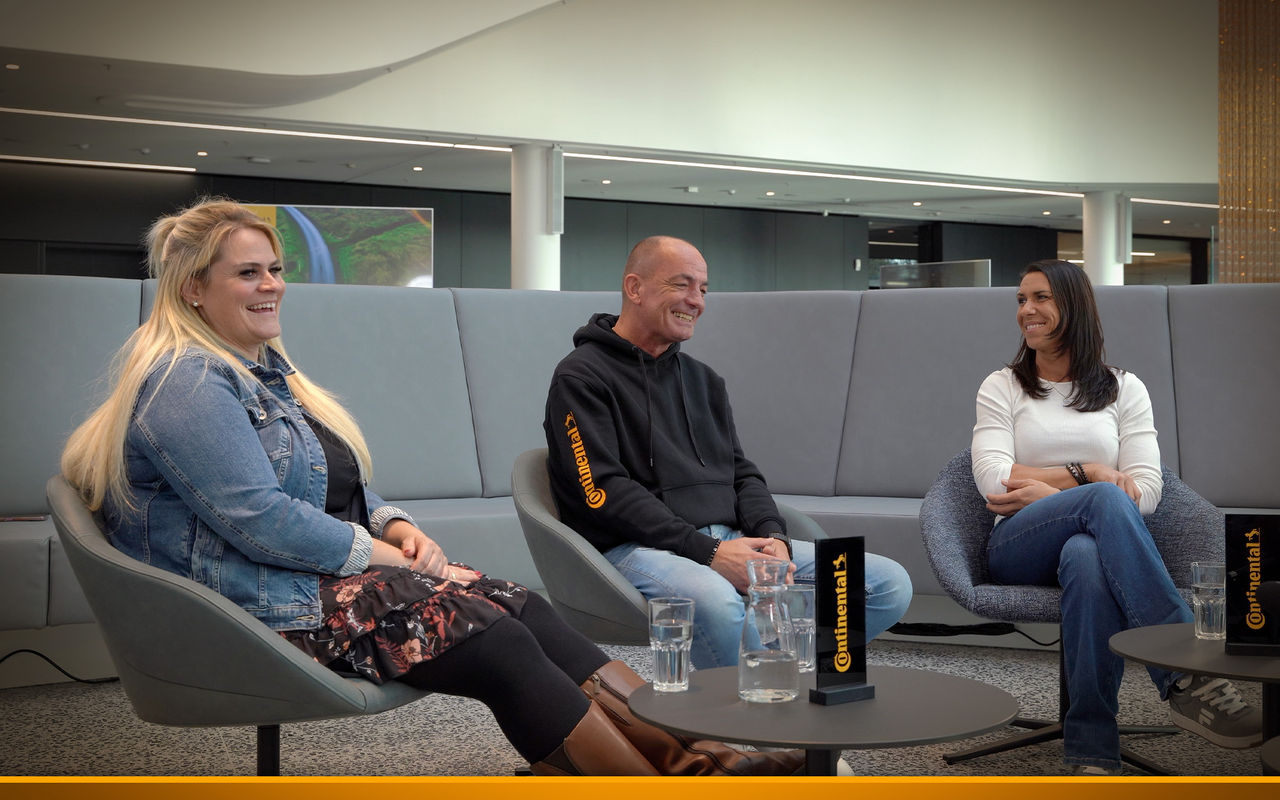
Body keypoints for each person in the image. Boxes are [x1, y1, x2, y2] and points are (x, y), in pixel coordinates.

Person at [59, 198, 804, 777]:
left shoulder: (265, 375)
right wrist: (386, 560)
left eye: (276, 268)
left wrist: (393, 526)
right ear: (193, 289)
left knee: (522, 607)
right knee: (494, 639)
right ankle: (665, 774)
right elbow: (260, 522)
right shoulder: (187, 384)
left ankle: (688, 759)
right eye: (248, 272)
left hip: (316, 578)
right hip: (262, 603)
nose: (271, 285)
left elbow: (340, 486)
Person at [543, 235, 912, 670]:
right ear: (635, 288)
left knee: (886, 582)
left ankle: (778, 676)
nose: (695, 300)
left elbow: (741, 474)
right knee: (715, 600)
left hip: (731, 539)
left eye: (703, 289)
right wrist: (708, 553)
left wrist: (774, 539)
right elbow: (602, 492)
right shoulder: (580, 378)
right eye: (682, 285)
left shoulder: (704, 380)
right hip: (635, 548)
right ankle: (761, 705)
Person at [971, 259, 1263, 775]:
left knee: (1086, 554)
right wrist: (1091, 473)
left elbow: (1147, 491)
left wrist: (1047, 486)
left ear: (1074, 306)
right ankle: (1185, 668)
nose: (1026, 310)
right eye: (1020, 299)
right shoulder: (1001, 386)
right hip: (1018, 545)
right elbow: (994, 481)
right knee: (1105, 499)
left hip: (1086, 541)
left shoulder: (1125, 388)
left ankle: (1091, 750)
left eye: (1040, 298)